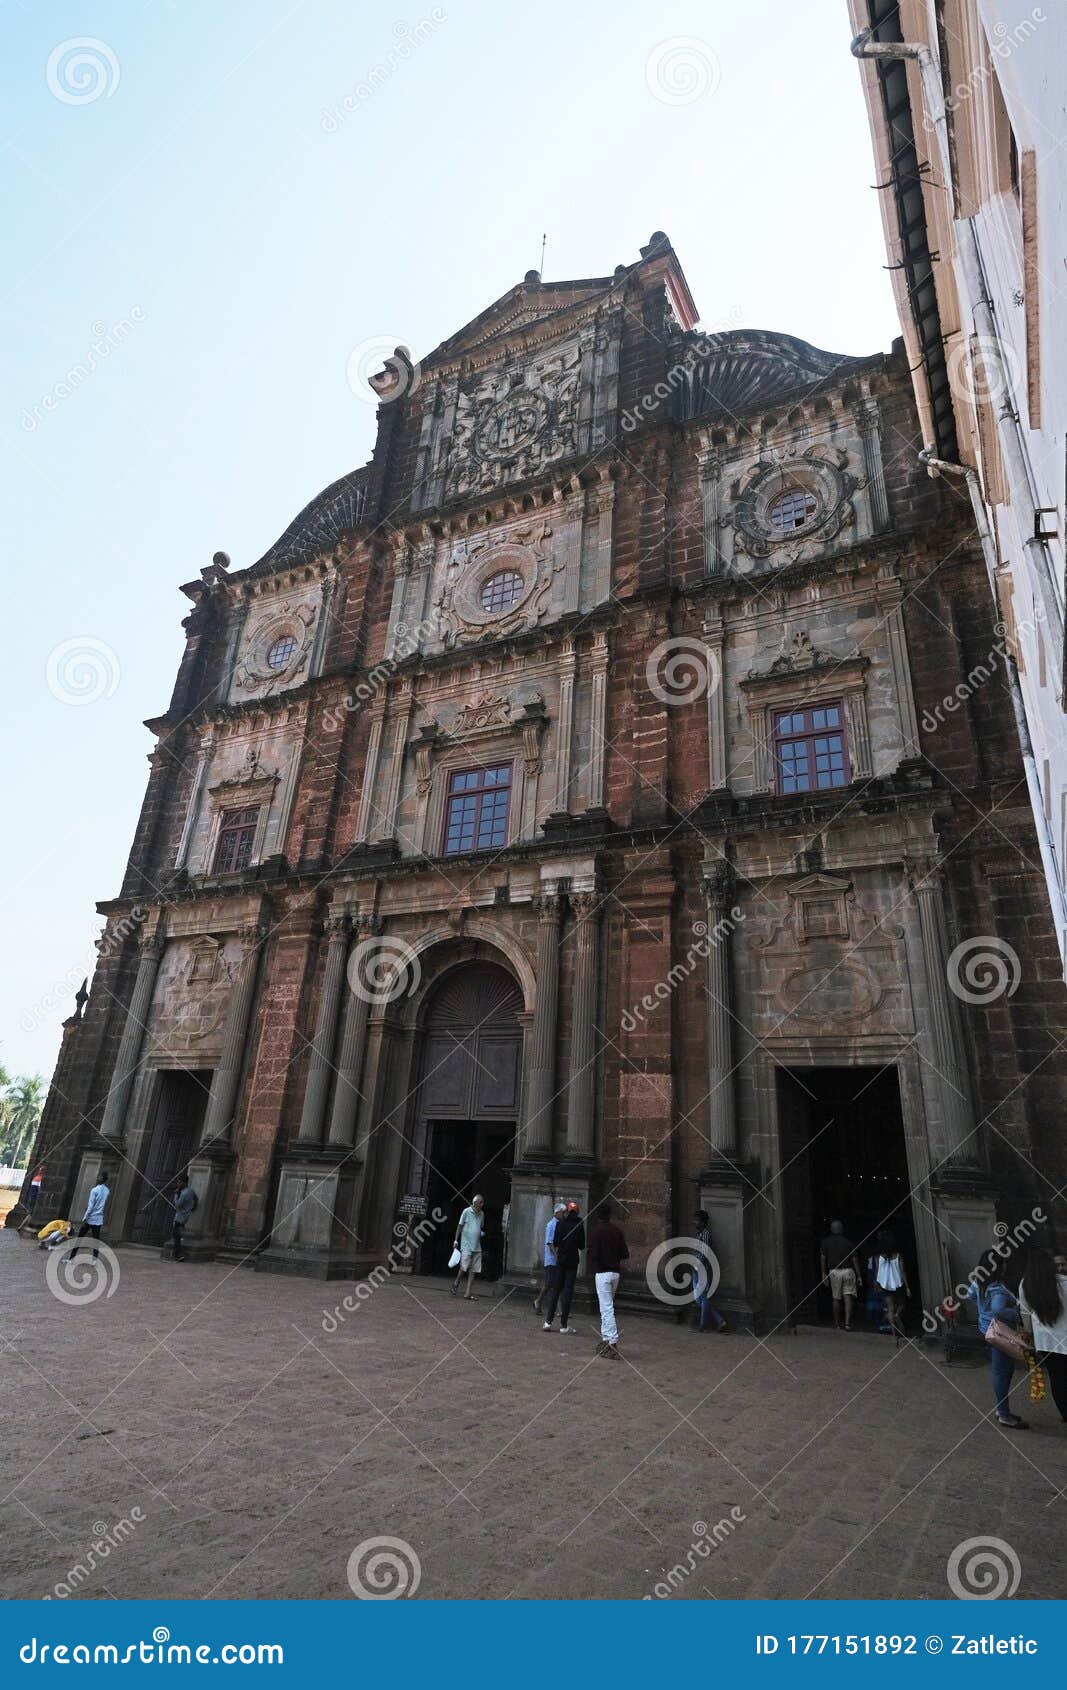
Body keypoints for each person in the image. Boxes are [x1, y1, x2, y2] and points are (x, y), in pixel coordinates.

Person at [967, 1252, 1028, 1430]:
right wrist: (1017, 1314)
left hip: (986, 1329)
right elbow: (999, 1309)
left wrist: (982, 1311)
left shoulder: (979, 1283)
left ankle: (1002, 1409)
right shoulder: (997, 1289)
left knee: (1002, 1369)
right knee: (1002, 1371)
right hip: (1000, 1332)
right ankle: (1003, 1414)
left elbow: (971, 1295)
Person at [1019, 1246, 1067, 1422]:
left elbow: (1025, 1313)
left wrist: (1029, 1336)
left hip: (1046, 1342)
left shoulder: (1025, 1284)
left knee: (1057, 1378)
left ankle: (1065, 1413)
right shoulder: (1063, 1283)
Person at [588, 1201, 629, 1359]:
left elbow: (592, 1254)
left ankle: (612, 1342)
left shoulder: (596, 1231)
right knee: (607, 1307)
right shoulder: (617, 1231)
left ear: (598, 1216)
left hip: (603, 1272)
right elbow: (625, 1254)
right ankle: (606, 1339)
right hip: (615, 1273)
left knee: (606, 1309)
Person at [543, 1200, 585, 1333]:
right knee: (567, 1292)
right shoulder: (579, 1224)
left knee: (556, 1290)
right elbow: (582, 1245)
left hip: (561, 1260)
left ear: (567, 1211)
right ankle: (563, 1325)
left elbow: (555, 1242)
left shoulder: (560, 1223)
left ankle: (547, 1322)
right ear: (577, 1211)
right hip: (572, 1261)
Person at [820, 1220, 861, 1331]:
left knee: (836, 1298)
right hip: (848, 1270)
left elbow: (823, 1258)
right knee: (848, 1297)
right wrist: (859, 1276)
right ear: (841, 1229)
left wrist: (823, 1273)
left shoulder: (826, 1242)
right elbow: (854, 1259)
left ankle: (837, 1324)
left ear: (831, 1229)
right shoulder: (848, 1242)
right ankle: (847, 1324)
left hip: (834, 1271)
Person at [692, 1210, 726, 1332]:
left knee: (703, 1297)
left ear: (703, 1222)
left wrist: (696, 1265)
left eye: (697, 1220)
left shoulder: (705, 1234)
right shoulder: (699, 1234)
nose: (694, 1222)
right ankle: (719, 1321)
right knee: (699, 1298)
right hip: (697, 1267)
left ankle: (704, 1325)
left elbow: (705, 1252)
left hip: (701, 1268)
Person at [65, 1172, 111, 1262]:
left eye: (99, 1177)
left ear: (101, 1179)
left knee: (79, 1239)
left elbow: (90, 1206)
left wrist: (85, 1218)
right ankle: (94, 1260)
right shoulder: (107, 1190)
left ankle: (71, 1258)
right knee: (96, 1240)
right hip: (98, 1218)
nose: (98, 1178)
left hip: (90, 1218)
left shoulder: (94, 1190)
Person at [873, 1229, 910, 1344]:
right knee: (902, 1304)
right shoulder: (898, 1256)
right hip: (897, 1284)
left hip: (884, 1284)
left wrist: (876, 1283)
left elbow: (877, 1271)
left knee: (889, 1308)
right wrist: (908, 1287)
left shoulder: (878, 1257)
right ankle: (898, 1314)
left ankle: (894, 1335)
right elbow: (903, 1272)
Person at [533, 1202, 566, 1315]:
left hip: (557, 1258)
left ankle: (559, 1310)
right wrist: (556, 1255)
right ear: (557, 1213)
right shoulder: (552, 1224)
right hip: (551, 1259)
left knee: (557, 1284)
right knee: (549, 1283)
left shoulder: (560, 1224)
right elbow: (549, 1242)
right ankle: (538, 1301)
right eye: (563, 1212)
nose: (564, 1214)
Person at [451, 1194, 484, 1299]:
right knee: (464, 1268)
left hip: (477, 1246)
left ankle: (468, 1293)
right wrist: (456, 1240)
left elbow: (480, 1227)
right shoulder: (466, 1211)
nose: (482, 1204)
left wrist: (480, 1232)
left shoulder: (482, 1214)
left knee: (473, 1270)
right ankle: (456, 1282)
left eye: (482, 1202)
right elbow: (459, 1226)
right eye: (480, 1202)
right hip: (466, 1245)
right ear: (474, 1203)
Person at [170, 1174, 198, 1262]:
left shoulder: (184, 1193)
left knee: (176, 1236)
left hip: (180, 1217)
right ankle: (177, 1255)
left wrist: (175, 1195)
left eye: (179, 1182)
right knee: (177, 1236)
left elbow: (178, 1204)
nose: (178, 1184)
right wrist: (192, 1209)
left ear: (183, 1182)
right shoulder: (191, 1191)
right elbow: (196, 1199)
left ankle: (178, 1255)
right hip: (185, 1216)